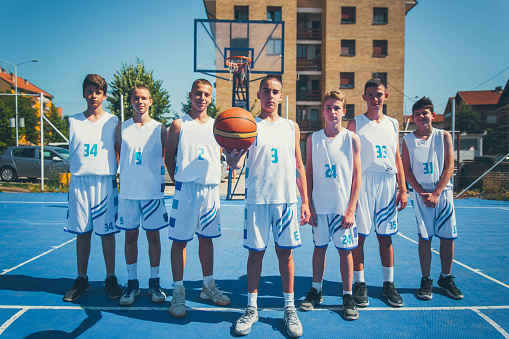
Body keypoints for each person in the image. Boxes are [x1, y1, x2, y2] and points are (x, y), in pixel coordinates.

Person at [225, 75, 310, 337]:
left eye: (275, 91)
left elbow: (298, 164)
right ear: (258, 96)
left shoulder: (291, 126)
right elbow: (237, 164)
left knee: (286, 255)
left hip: (285, 199)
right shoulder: (249, 126)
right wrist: (230, 158)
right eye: (266, 91)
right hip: (257, 200)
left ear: (281, 95)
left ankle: (289, 308)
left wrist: (305, 200)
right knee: (255, 255)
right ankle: (251, 308)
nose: (270, 95)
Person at [165, 79, 230, 318]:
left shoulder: (219, 126)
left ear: (210, 98)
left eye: (206, 95)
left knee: (207, 239)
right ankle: (178, 290)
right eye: (198, 94)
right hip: (186, 190)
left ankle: (207, 286)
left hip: (210, 190)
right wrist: (179, 179)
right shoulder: (178, 124)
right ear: (190, 95)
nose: (201, 98)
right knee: (179, 241)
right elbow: (168, 157)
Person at [299, 90, 362, 320]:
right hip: (320, 208)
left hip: (342, 209)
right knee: (319, 249)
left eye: (337, 107)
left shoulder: (351, 139)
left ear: (344, 111)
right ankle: (316, 290)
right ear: (322, 111)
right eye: (328, 107)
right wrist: (309, 205)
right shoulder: (313, 139)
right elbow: (308, 174)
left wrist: (351, 209)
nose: (332, 111)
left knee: (345, 252)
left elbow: (357, 176)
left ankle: (347, 295)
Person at [346, 78, 408, 308]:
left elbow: (397, 158)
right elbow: (349, 160)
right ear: (364, 97)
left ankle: (388, 284)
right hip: (364, 182)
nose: (375, 99)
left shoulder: (393, 123)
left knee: (386, 236)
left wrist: (403, 188)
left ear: (386, 96)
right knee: (359, 236)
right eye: (370, 95)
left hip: (387, 182)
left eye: (379, 94)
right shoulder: (355, 123)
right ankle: (360, 284)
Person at [63, 74, 122, 302]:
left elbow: (119, 150)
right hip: (79, 182)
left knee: (107, 233)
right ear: (83, 93)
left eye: (98, 92)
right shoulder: (73, 120)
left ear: (104, 95)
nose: (93, 96)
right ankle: (82, 278)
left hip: (104, 181)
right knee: (82, 232)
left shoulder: (112, 121)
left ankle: (110, 277)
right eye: (89, 91)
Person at [402, 97, 463, 300]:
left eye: (424, 113)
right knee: (424, 238)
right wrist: (421, 192)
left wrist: (437, 192)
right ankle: (426, 279)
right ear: (413, 117)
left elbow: (449, 166)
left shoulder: (443, 136)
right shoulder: (408, 140)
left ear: (432, 115)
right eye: (417, 114)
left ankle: (446, 277)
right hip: (421, 195)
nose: (421, 117)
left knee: (447, 238)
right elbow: (406, 170)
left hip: (442, 193)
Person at [115, 85, 168, 305]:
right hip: (128, 192)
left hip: (152, 192)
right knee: (130, 237)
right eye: (136, 98)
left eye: (144, 98)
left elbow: (167, 154)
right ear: (130, 101)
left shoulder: (160, 128)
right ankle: (133, 282)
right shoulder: (121, 127)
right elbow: (119, 153)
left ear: (151, 101)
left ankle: (154, 282)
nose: (140, 101)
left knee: (153, 237)